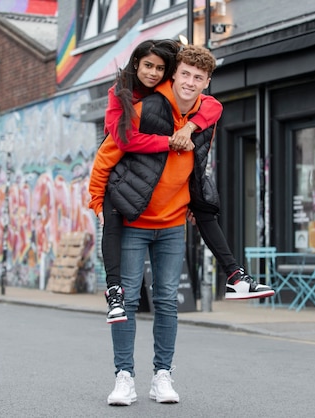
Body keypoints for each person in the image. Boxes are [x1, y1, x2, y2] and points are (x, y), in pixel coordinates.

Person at [94, 40, 274, 324]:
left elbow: (214, 105)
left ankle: (235, 276)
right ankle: (114, 291)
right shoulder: (128, 99)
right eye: (148, 66)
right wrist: (96, 204)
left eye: (159, 68)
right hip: (124, 187)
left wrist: (189, 127)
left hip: (170, 209)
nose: (153, 73)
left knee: (205, 205)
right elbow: (117, 145)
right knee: (111, 218)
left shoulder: (197, 106)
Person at [88, 44, 224, 406]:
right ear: (173, 75)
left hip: (172, 226)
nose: (191, 82)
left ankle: (162, 376)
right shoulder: (143, 110)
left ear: (206, 82)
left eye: (199, 78)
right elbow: (107, 155)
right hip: (133, 222)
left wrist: (196, 202)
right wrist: (97, 203)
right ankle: (124, 377)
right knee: (127, 301)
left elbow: (213, 110)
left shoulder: (202, 113)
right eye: (185, 74)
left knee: (167, 301)